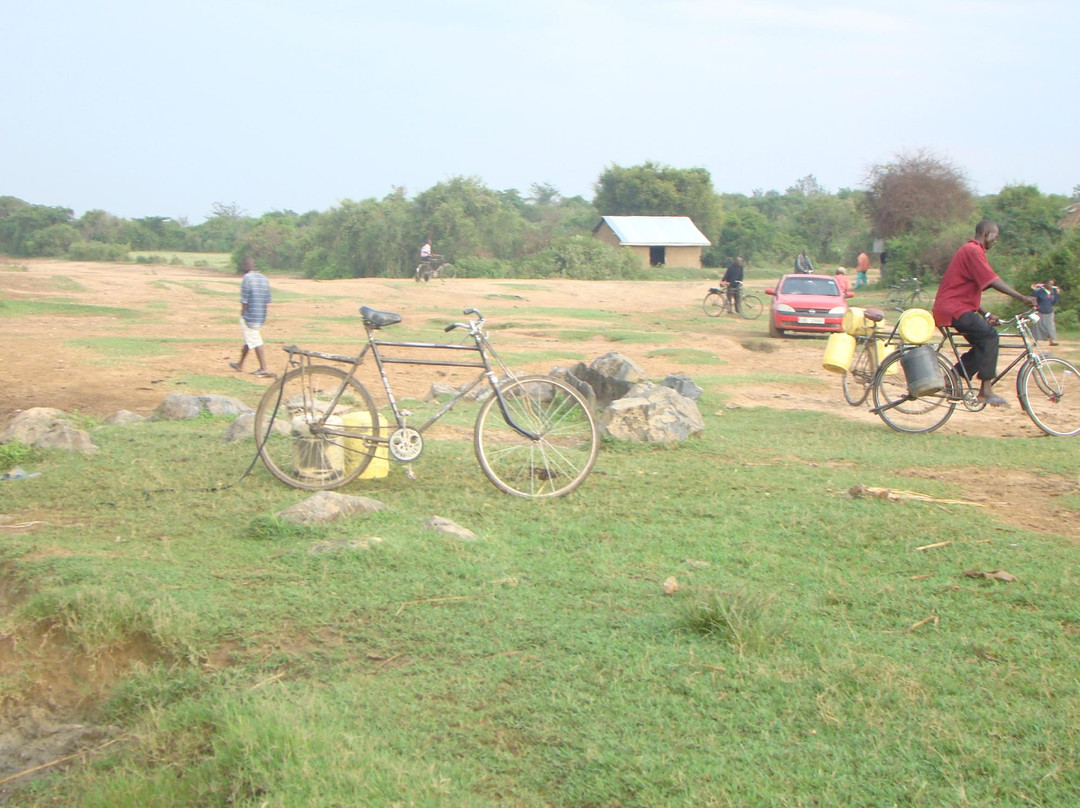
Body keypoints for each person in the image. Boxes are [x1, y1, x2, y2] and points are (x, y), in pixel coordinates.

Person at [931, 220, 1035, 406]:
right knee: (990, 338)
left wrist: (986, 315)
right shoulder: (973, 250)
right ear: (986, 233)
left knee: (983, 346)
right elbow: (992, 280)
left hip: (954, 307)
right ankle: (985, 391)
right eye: (995, 236)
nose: (996, 241)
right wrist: (1022, 297)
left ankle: (952, 377)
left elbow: (967, 289)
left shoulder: (973, 251)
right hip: (954, 309)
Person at [229, 256, 273, 377]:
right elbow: (267, 299)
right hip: (260, 314)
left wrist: (243, 314)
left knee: (255, 339)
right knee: (249, 339)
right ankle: (240, 364)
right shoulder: (264, 278)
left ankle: (263, 367)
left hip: (250, 315)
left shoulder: (247, 278)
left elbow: (245, 300)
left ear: (244, 266)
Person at [1032, 279, 1061, 345]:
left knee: (1050, 326)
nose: (1051, 286)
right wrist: (1035, 306)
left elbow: (1054, 302)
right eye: (1050, 284)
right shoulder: (1039, 291)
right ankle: (1035, 341)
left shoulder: (1052, 292)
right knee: (1037, 327)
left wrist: (1057, 294)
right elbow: (1033, 298)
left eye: (1052, 284)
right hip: (1040, 311)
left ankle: (1051, 341)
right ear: (1045, 284)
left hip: (1049, 311)